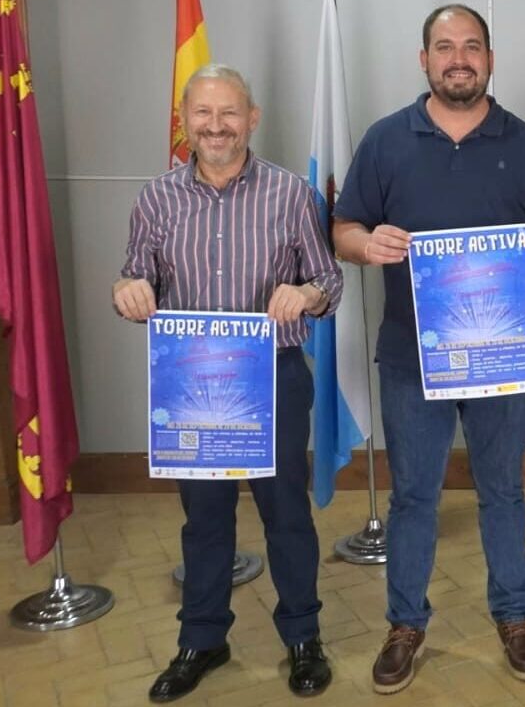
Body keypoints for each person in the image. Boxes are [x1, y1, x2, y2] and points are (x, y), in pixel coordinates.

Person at [332, 4, 525, 694]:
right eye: (445, 47)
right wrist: (365, 244)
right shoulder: (386, 140)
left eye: (471, 46)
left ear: (490, 59)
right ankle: (405, 625)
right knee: (413, 497)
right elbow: (343, 229)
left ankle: (516, 617)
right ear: (425, 60)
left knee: (504, 493)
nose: (458, 58)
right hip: (413, 360)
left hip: (500, 358)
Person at [113, 63, 340, 702]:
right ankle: (203, 638)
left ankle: (303, 637)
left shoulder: (291, 194)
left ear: (252, 119)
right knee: (204, 518)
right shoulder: (156, 199)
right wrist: (127, 290)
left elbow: (329, 279)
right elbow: (135, 275)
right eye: (204, 113)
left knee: (286, 513)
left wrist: (306, 294)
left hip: (274, 378)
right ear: (185, 119)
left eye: (230, 112)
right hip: (190, 387)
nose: (217, 126)